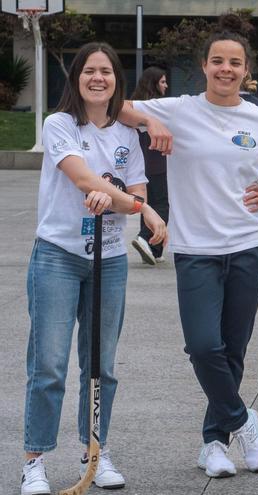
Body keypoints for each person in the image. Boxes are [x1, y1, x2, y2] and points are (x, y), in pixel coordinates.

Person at [120, 13, 258, 479]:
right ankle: (243, 420)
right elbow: (117, 106)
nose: (225, 69)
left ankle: (214, 442)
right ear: (204, 67)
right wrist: (151, 120)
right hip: (195, 249)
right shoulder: (180, 108)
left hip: (249, 245)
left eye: (234, 63)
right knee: (204, 345)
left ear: (246, 70)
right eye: (216, 62)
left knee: (233, 349)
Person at [20, 42, 166, 495]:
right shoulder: (60, 123)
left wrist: (125, 199)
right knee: (49, 365)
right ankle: (35, 460)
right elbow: (83, 178)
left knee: (102, 365)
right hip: (58, 256)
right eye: (89, 71)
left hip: (110, 260)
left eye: (106, 70)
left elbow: (134, 185)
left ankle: (95, 453)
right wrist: (141, 208)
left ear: (116, 79)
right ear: (77, 78)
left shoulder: (127, 136)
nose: (97, 78)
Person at [130, 66, 170, 266]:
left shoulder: (135, 107)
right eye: (162, 82)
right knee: (161, 204)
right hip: (156, 162)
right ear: (154, 83)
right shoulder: (157, 107)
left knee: (148, 205)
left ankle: (155, 249)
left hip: (140, 164)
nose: (166, 85)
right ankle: (146, 238)